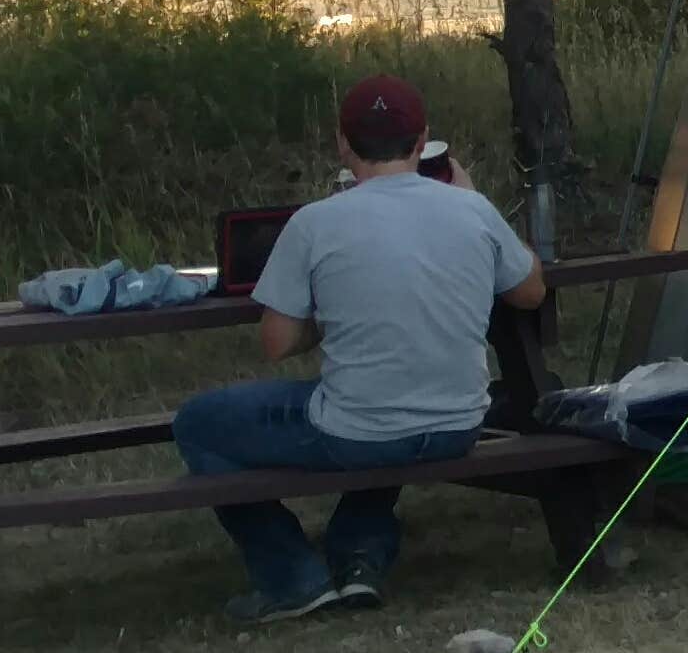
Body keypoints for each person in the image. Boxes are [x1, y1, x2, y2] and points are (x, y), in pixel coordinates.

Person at [171, 75, 547, 623]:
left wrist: (332, 315)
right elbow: (530, 290)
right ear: (423, 141)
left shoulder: (316, 222)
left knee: (199, 423)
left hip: (364, 428)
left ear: (343, 145)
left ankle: (291, 576)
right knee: (382, 401)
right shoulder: (472, 210)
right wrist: (473, 199)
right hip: (459, 422)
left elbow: (276, 342)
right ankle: (358, 558)